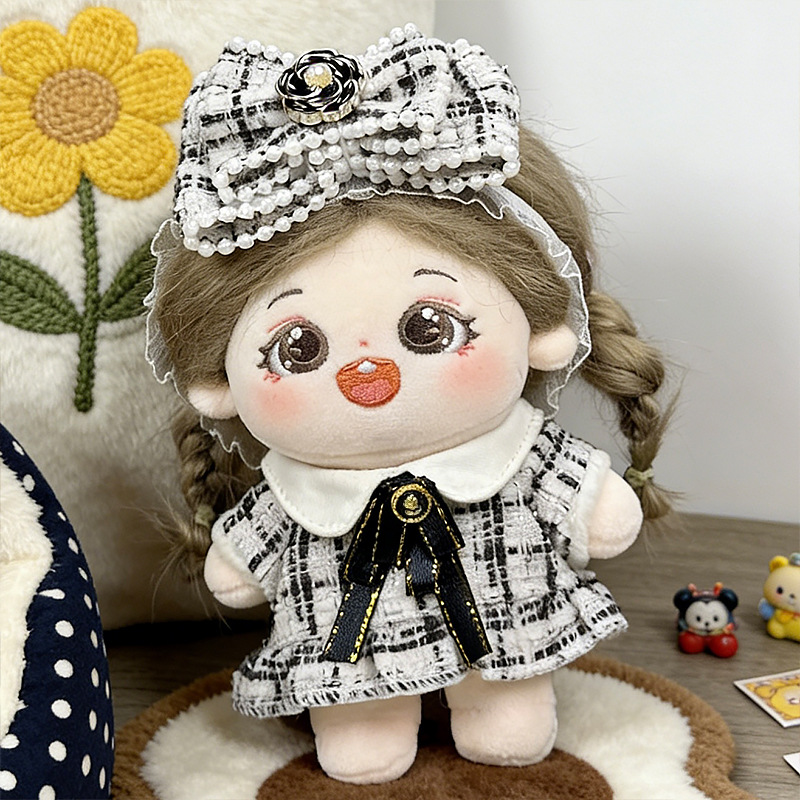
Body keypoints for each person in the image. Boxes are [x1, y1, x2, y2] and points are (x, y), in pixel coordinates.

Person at [146, 24, 672, 784]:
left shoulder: (521, 460)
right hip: (349, 660)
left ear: (541, 332)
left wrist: (600, 504)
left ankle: (497, 711)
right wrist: (236, 559)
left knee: (510, 722)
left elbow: (591, 505)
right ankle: (368, 723)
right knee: (361, 737)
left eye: (429, 328)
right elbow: (242, 564)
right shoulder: (293, 495)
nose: (369, 371)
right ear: (218, 384)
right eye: (299, 348)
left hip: (508, 635)